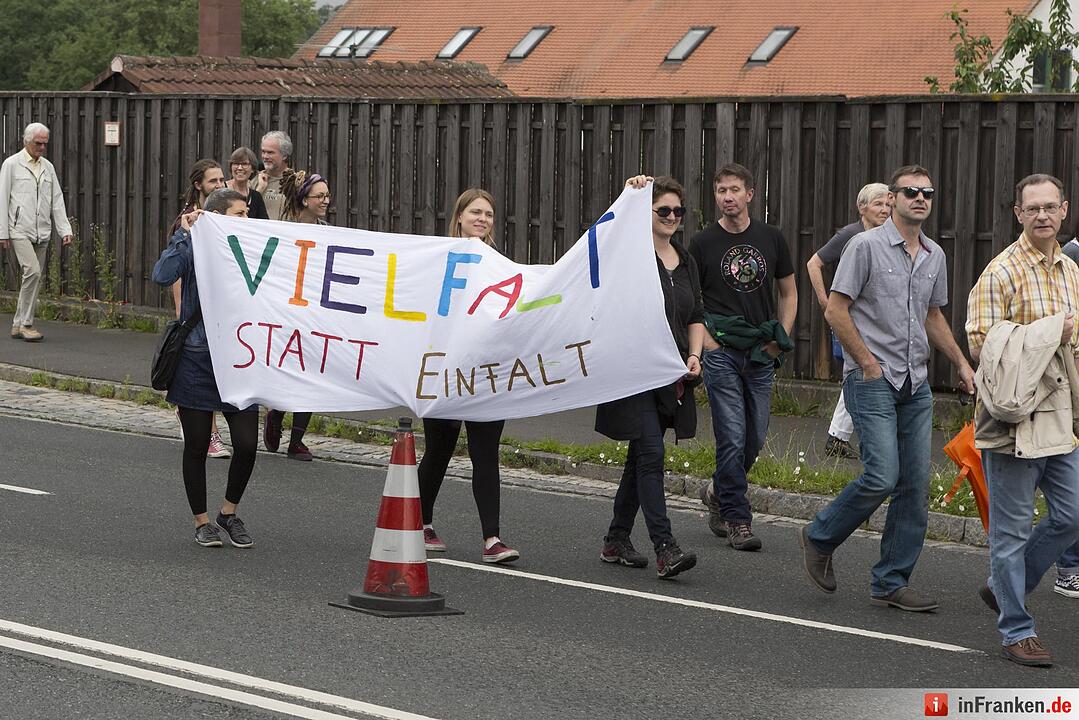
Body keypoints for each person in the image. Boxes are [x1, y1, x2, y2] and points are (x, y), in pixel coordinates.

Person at [800, 165, 976, 613]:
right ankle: (820, 536)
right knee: (882, 475)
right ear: (892, 198)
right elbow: (836, 312)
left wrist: (960, 363)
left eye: (927, 193)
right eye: (910, 192)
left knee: (914, 485)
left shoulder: (934, 254)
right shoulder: (865, 246)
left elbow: (933, 315)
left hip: (915, 383)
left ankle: (891, 581)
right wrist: (866, 362)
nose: (920, 198)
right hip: (872, 378)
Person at [966, 173, 1079, 667]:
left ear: (1064, 210)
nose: (1042, 216)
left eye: (1050, 207)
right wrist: (1050, 333)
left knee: (1073, 514)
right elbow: (980, 343)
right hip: (1013, 417)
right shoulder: (1001, 271)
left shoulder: (1071, 270)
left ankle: (1002, 584)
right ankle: (1016, 629)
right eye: (1032, 209)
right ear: (1018, 214)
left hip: (1061, 415)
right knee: (1010, 532)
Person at [596, 175, 704, 579]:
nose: (672, 217)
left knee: (640, 457)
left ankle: (615, 539)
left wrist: (694, 356)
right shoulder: (631, 256)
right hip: (633, 371)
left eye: (678, 211)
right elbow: (602, 238)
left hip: (671, 373)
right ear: (646, 215)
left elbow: (696, 313)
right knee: (652, 456)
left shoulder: (686, 258)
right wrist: (629, 192)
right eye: (663, 210)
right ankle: (666, 546)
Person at [691, 162, 797, 551]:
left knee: (755, 437)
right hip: (721, 351)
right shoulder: (702, 243)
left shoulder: (771, 237)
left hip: (761, 351)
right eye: (721, 191)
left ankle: (719, 491)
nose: (727, 197)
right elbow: (693, 300)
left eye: (734, 190)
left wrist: (778, 339)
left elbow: (789, 292)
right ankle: (738, 519)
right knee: (732, 437)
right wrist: (707, 346)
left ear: (750, 194)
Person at [151, 188, 259, 549]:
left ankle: (229, 513)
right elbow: (162, 275)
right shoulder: (193, 244)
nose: (248, 218)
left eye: (248, 213)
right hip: (197, 358)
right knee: (196, 445)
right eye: (241, 213)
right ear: (218, 216)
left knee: (246, 444)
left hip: (239, 359)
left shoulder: (255, 249)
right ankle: (202, 521)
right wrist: (183, 234)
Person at [419, 188, 518, 564]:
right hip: (443, 369)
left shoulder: (501, 266)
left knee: (485, 453)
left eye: (489, 214)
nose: (482, 219)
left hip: (484, 373)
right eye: (476, 212)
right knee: (440, 450)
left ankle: (492, 539)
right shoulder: (437, 260)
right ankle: (421, 522)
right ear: (459, 217)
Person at [807, 183, 891, 459]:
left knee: (863, 372)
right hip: (851, 318)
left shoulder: (889, 236)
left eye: (888, 204)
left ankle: (838, 436)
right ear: (862, 207)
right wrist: (825, 300)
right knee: (862, 370)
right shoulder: (851, 234)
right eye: (878, 204)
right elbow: (813, 264)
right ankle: (843, 437)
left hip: (876, 318)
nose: (885, 209)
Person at [261, 169, 329, 461]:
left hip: (317, 311)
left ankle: (297, 439)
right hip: (288, 310)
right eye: (320, 196)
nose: (326, 200)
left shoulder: (328, 231)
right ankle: (276, 412)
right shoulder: (284, 230)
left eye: (327, 195)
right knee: (289, 367)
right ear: (304, 200)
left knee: (311, 372)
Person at [170, 159, 230, 459]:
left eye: (222, 180)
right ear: (199, 186)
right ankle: (211, 434)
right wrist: (182, 312)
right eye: (213, 181)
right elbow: (178, 273)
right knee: (203, 371)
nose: (220, 185)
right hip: (195, 316)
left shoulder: (227, 216)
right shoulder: (189, 221)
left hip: (222, 313)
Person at [0, 122, 73, 342]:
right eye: (38, 143)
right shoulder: (12, 164)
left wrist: (64, 229)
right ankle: (26, 324)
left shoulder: (47, 167)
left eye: (44, 144)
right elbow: (3, 198)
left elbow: (56, 200)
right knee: (32, 272)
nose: (41, 147)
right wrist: (3, 232)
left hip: (43, 231)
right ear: (26, 141)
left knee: (31, 278)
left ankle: (16, 324)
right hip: (19, 229)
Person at [254, 130, 292, 221]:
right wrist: (259, 190)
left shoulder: (295, 182)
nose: (265, 156)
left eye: (270, 152)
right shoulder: (255, 180)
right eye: (263, 152)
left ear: (284, 155)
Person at [225, 147, 269, 220]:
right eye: (236, 163)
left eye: (244, 164)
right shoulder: (221, 189)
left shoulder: (256, 197)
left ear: (253, 169)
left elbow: (264, 224)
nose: (239, 168)